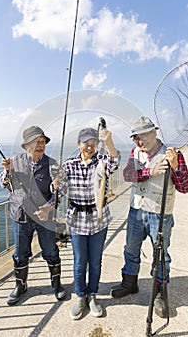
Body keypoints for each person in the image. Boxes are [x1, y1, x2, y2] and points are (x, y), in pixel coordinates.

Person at [110, 116, 188, 318]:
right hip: (136, 211)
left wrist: (175, 167)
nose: (140, 141)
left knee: (161, 254)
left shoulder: (173, 154)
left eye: (144, 135)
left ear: (155, 132)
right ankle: (129, 282)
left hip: (160, 214)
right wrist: (149, 171)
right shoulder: (135, 153)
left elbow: (185, 187)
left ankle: (159, 293)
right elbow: (128, 175)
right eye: (136, 137)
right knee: (130, 248)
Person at [56, 126, 121, 320]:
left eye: (93, 143)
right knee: (79, 263)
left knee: (95, 262)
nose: (90, 147)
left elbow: (115, 162)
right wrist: (57, 183)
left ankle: (92, 295)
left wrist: (108, 142)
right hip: (77, 220)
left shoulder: (101, 162)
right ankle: (80, 296)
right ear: (78, 144)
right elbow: (61, 189)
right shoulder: (68, 165)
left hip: (99, 219)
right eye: (86, 143)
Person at [0, 126, 66, 306]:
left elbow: (61, 190)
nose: (40, 145)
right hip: (20, 216)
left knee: (51, 251)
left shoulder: (53, 164)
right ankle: (20, 286)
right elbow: (4, 183)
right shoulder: (13, 161)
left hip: (45, 218)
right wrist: (7, 171)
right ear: (26, 145)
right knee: (20, 254)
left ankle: (56, 284)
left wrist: (48, 206)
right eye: (36, 142)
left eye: (43, 141)